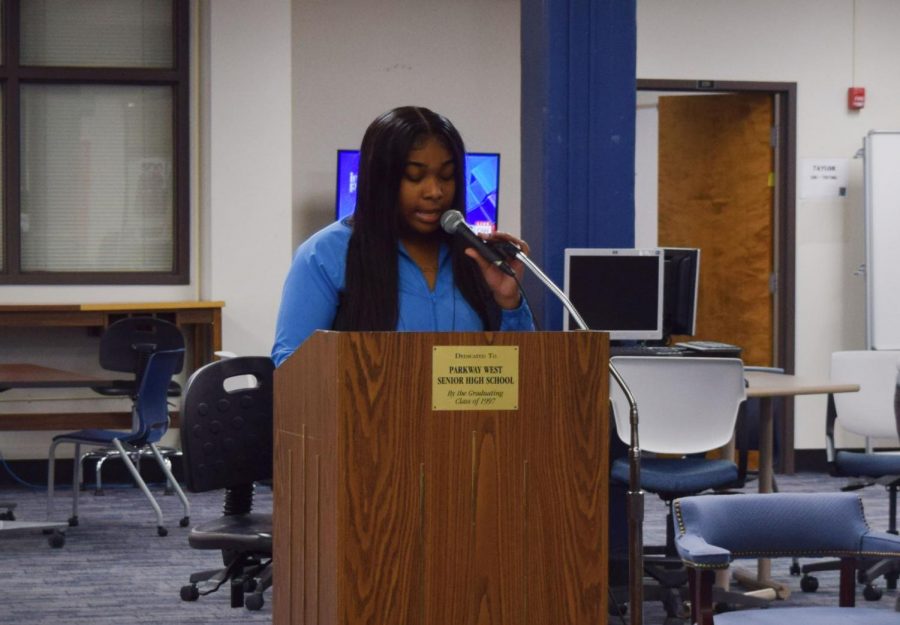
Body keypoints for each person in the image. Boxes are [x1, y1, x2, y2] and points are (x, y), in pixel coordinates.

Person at [272, 106, 534, 366]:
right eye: (414, 176)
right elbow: (291, 366)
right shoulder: (324, 255)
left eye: (447, 175)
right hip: (366, 408)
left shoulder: (476, 257)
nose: (435, 191)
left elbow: (520, 371)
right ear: (380, 180)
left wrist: (508, 301)